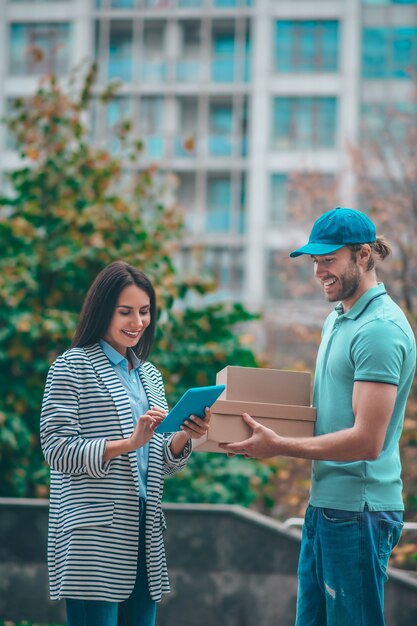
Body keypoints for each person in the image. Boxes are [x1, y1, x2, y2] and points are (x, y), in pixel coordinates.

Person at [221, 207, 416, 626]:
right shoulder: (338, 320)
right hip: (325, 505)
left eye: (328, 259)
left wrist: (279, 446)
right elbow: (326, 414)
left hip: (358, 512)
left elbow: (367, 441)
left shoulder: (379, 331)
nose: (318, 271)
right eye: (314, 261)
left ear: (363, 256)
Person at [40, 261, 210, 626]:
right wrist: (127, 443)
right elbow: (55, 448)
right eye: (125, 312)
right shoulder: (72, 366)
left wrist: (185, 435)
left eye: (144, 311)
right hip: (93, 538)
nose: (137, 322)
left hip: (143, 532)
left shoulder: (149, 375)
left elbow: (160, 456)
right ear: (103, 311)